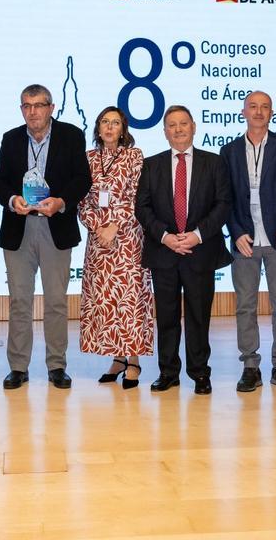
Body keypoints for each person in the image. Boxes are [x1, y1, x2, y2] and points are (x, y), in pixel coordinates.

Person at [0, 84, 91, 390]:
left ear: (52, 107)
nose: (32, 111)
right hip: (19, 227)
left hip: (55, 226)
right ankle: (18, 367)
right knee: (19, 301)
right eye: (26, 106)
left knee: (56, 302)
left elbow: (82, 179)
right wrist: (12, 200)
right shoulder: (11, 139)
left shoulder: (72, 135)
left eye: (39, 105)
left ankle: (57, 365)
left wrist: (62, 202)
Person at [135, 105, 232, 395]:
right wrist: (165, 237)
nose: (178, 129)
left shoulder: (213, 163)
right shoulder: (151, 165)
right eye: (172, 125)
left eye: (183, 124)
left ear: (193, 127)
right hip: (163, 252)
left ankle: (200, 373)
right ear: (164, 132)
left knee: (199, 316)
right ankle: (168, 372)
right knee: (165, 317)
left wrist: (198, 235)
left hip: (199, 252)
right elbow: (142, 207)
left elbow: (223, 204)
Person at [219, 91, 276, 393]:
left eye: (264, 107)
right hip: (245, 239)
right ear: (243, 112)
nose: (258, 112)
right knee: (245, 305)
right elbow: (224, 197)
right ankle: (250, 367)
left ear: (272, 112)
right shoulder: (228, 151)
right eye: (253, 107)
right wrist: (235, 230)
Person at [78, 106, 154, 389]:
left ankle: (133, 360)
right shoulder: (87, 158)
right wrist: (96, 225)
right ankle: (117, 357)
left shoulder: (134, 156)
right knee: (106, 300)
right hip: (98, 241)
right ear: (98, 128)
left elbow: (137, 196)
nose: (110, 127)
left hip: (127, 238)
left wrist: (114, 226)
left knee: (129, 299)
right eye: (105, 122)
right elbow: (81, 199)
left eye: (116, 123)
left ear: (124, 129)